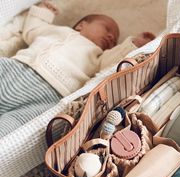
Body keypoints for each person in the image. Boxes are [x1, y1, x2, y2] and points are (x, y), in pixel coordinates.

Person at [0, 1, 155, 137]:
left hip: (50, 95)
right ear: (81, 25)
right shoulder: (57, 31)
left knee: (21, 124)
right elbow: (32, 30)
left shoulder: (99, 56)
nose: (111, 37)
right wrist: (43, 11)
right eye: (107, 29)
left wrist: (135, 44)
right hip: (17, 69)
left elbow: (115, 59)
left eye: (114, 40)